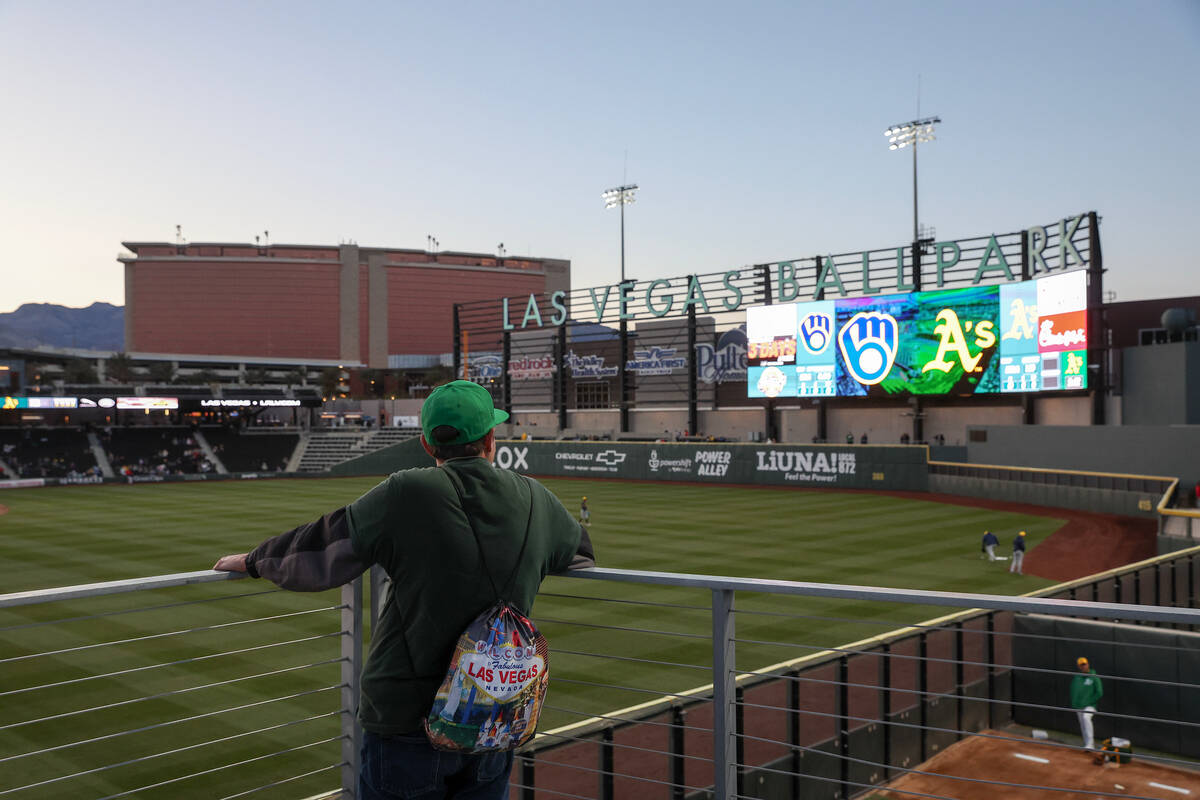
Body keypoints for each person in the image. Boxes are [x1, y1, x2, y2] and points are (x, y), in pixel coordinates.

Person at [212, 380, 595, 799]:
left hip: (405, 721)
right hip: (493, 716)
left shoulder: (408, 490)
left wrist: (253, 561)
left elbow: (323, 549)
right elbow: (579, 553)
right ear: (490, 439)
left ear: (428, 444)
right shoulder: (534, 496)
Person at [1070, 656, 1103, 751]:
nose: (1083, 666)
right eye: (1081, 665)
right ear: (1079, 667)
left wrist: (1089, 701)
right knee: (1082, 724)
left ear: (1088, 664)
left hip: (1090, 705)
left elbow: (1099, 692)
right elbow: (1073, 690)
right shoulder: (1077, 678)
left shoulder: (1094, 677)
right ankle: (1087, 745)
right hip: (1078, 705)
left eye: (1084, 664)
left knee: (1086, 717)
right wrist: (1074, 702)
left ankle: (1090, 744)